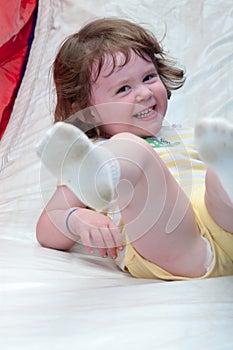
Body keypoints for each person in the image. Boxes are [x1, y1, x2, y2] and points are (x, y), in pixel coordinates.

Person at [36, 17, 233, 280]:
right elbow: (46, 227)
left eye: (149, 77)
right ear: (86, 111)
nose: (144, 93)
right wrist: (76, 220)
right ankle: (105, 176)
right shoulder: (93, 153)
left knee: (217, 175)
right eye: (124, 88)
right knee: (131, 151)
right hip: (175, 244)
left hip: (223, 222)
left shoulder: (188, 135)